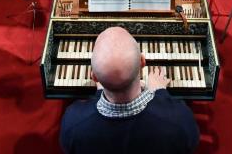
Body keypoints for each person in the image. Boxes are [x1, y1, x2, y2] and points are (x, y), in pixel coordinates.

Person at [59, 27, 199, 154]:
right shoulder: (179, 120)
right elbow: (190, 144)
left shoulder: (73, 123)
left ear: (94, 77)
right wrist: (159, 92)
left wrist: (99, 92)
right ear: (142, 62)